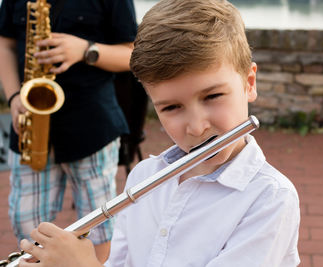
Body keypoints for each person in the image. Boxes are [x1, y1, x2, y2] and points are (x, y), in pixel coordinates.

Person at [17, 0, 301, 266]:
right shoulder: (144, 176)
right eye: (172, 107)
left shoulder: (270, 200)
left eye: (212, 96)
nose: (197, 126)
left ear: (249, 83)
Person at [0, 0, 138, 262]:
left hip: (92, 127)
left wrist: (87, 50)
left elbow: (133, 54)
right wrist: (14, 95)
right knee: (27, 226)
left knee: (98, 226)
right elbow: (4, 43)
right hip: (30, 123)